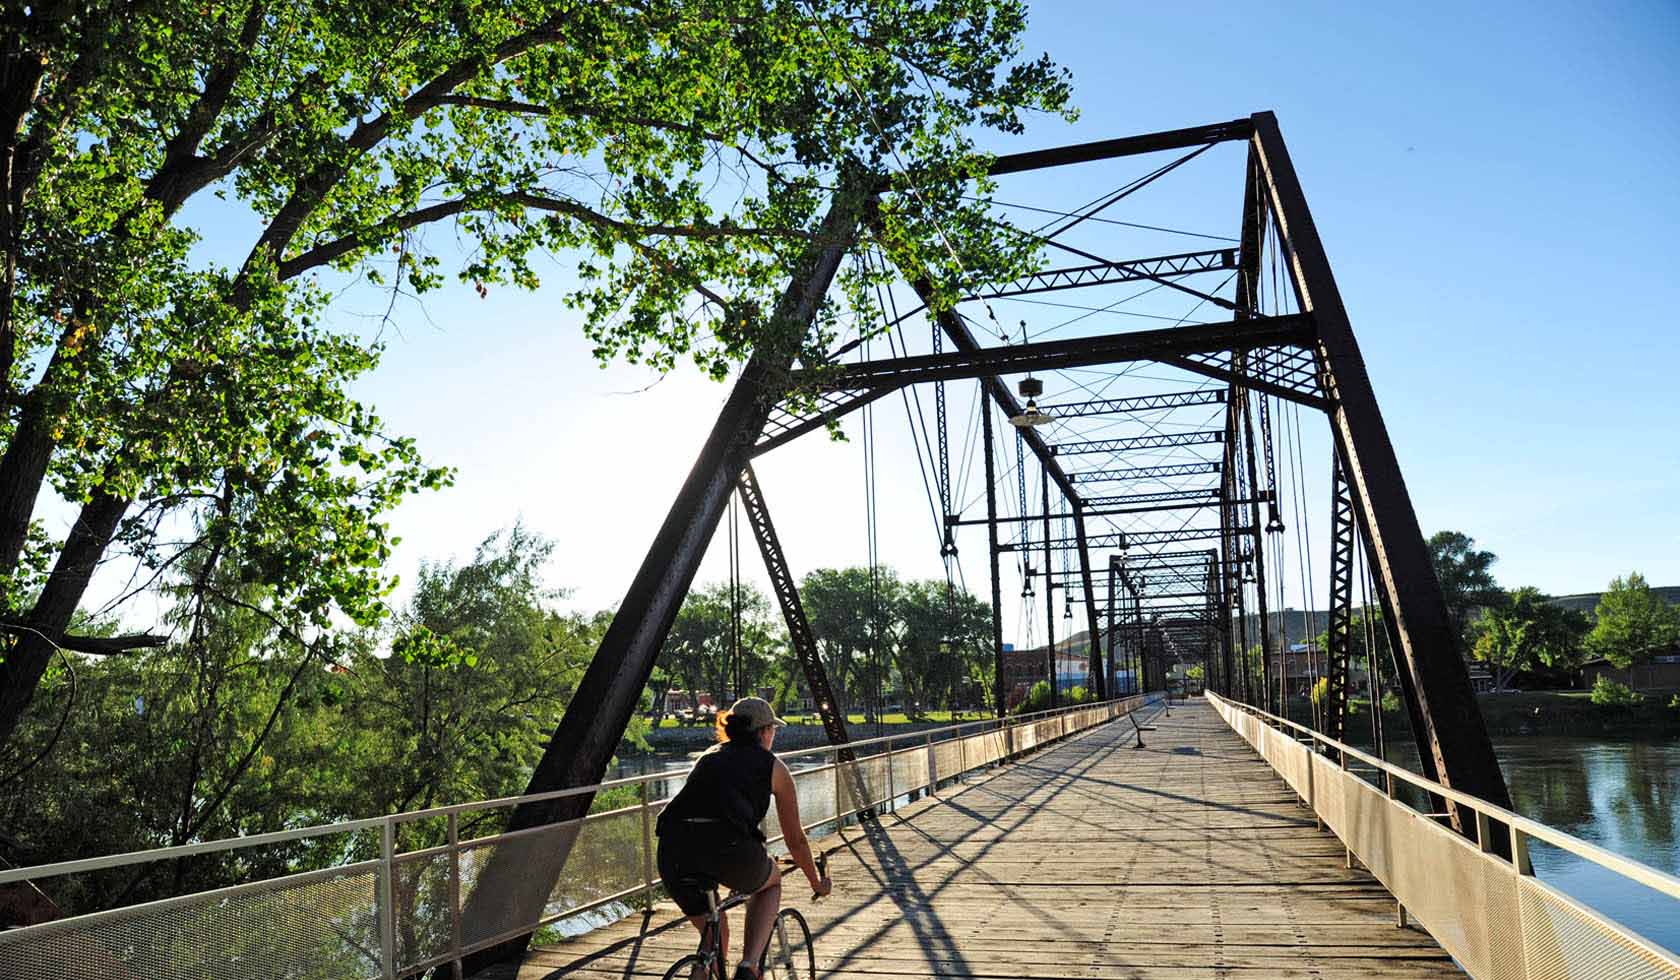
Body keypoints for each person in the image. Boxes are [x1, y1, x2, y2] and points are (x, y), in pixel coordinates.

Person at [655, 696, 832, 980]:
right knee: (770, 883)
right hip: (728, 850)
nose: (774, 735)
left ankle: (702, 968)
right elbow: (795, 840)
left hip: (672, 851)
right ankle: (749, 967)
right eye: (773, 729)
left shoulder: (707, 757)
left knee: (715, 933)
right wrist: (817, 882)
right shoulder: (773, 767)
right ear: (764, 732)